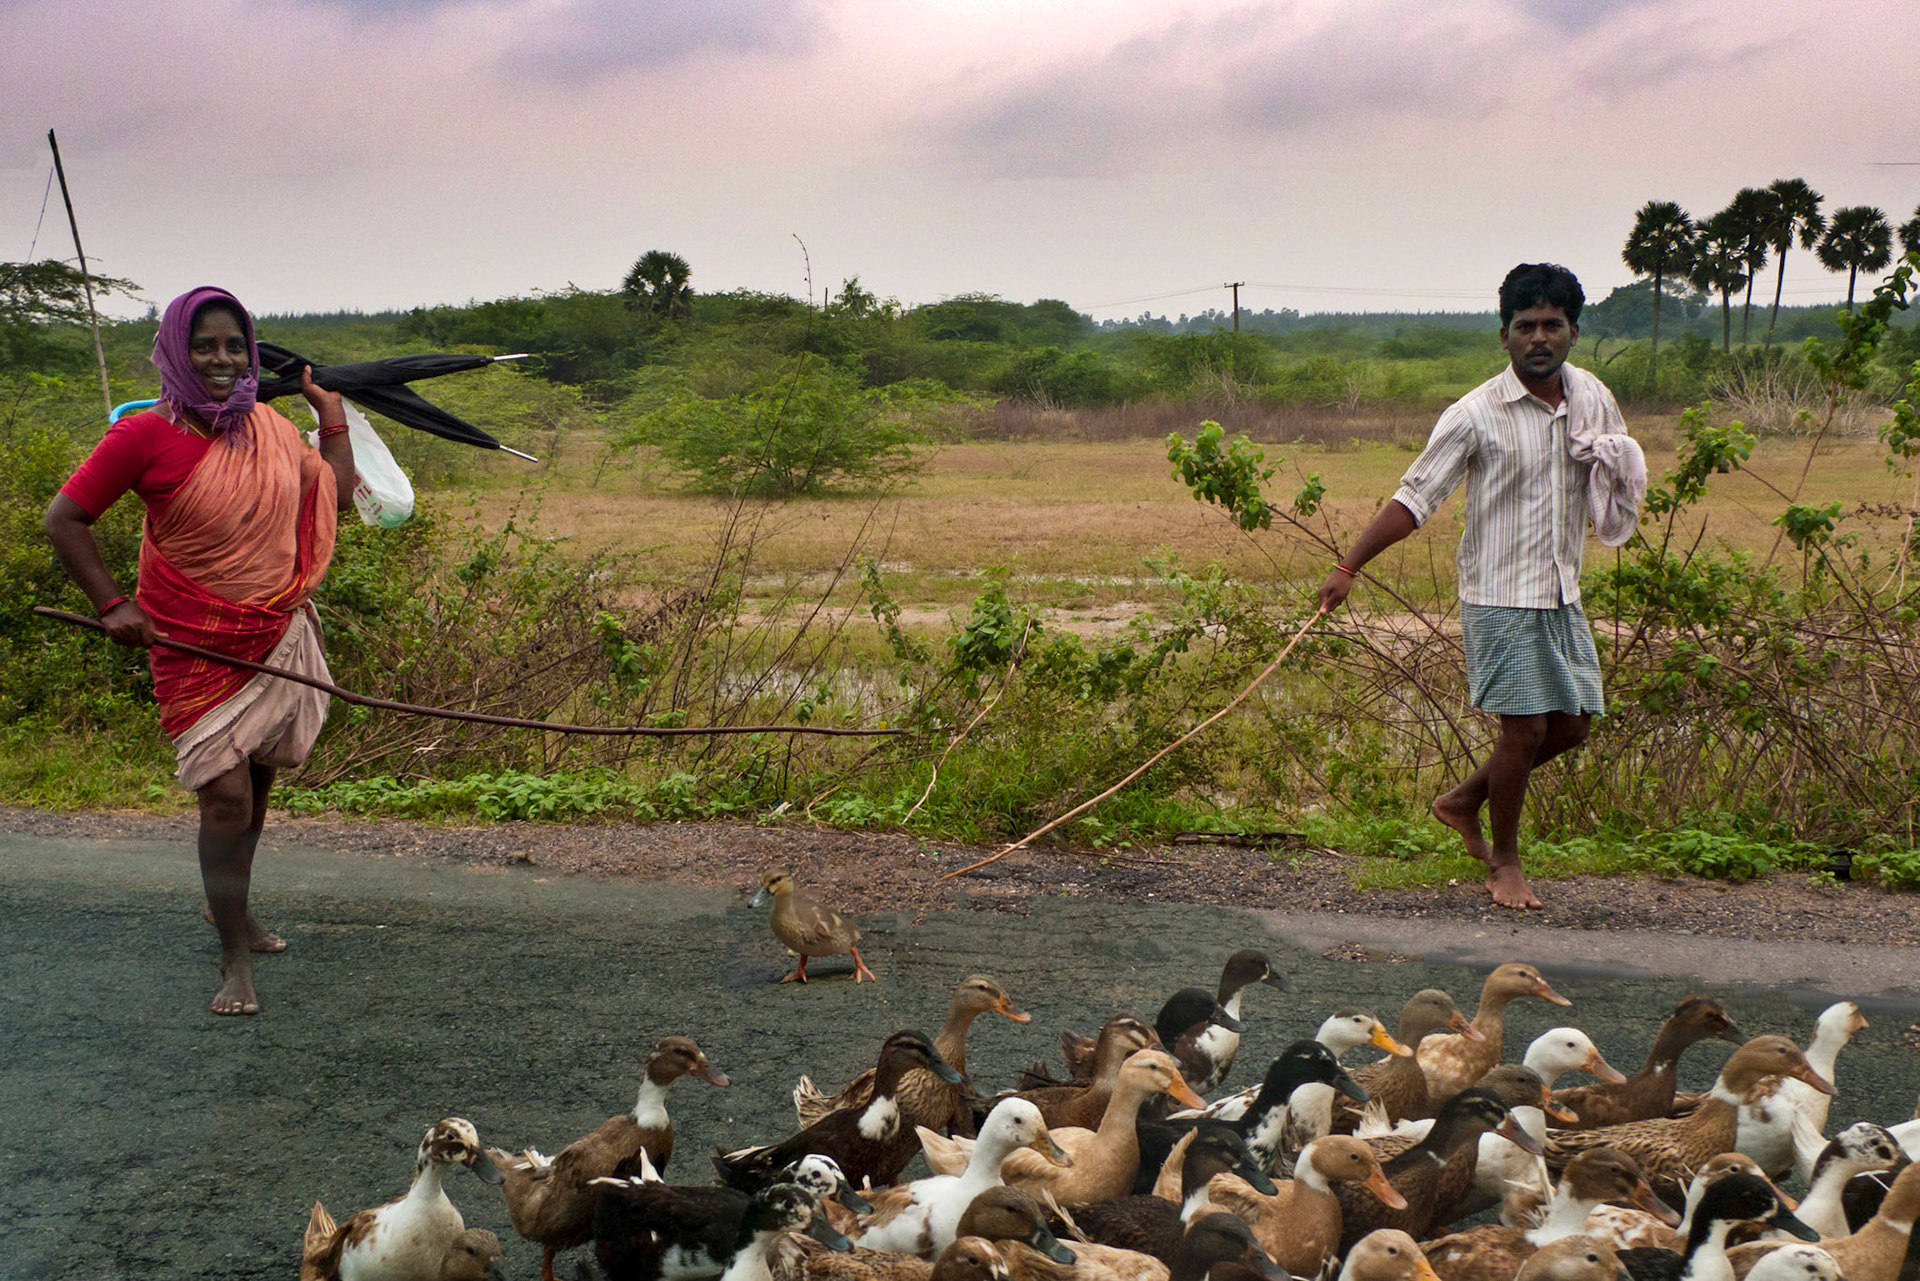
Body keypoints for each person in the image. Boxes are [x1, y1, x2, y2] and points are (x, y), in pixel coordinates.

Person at [44, 286, 354, 1014]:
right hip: (187, 637)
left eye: (234, 346)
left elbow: (334, 495)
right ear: (177, 352)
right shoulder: (143, 435)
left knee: (259, 787)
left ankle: (234, 909)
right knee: (224, 797)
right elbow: (66, 518)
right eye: (205, 346)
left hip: (270, 631)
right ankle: (233, 959)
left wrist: (329, 416)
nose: (222, 360)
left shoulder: (274, 430)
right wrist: (112, 603)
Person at [1318, 263, 1632, 911]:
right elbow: (1415, 497)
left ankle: (1462, 800)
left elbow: (1618, 465)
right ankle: (1506, 864)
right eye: (1525, 326)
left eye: (1552, 325)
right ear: (1504, 335)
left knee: (1572, 726)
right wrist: (1349, 567)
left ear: (1573, 330)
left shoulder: (1594, 398)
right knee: (1522, 732)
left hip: (1559, 591)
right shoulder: (1474, 414)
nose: (1538, 337)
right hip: (1497, 595)